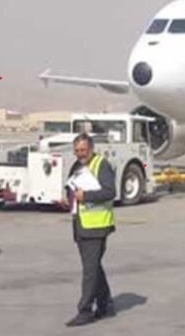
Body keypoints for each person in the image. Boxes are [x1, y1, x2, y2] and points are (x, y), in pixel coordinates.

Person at [63, 133, 117, 327]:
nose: (80, 154)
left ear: (91, 148)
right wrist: (67, 200)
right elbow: (71, 190)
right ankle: (105, 304)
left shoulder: (101, 165)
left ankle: (85, 310)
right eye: (77, 151)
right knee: (94, 268)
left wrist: (85, 196)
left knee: (89, 271)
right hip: (81, 224)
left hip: (97, 226)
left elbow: (110, 192)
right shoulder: (77, 166)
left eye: (83, 150)